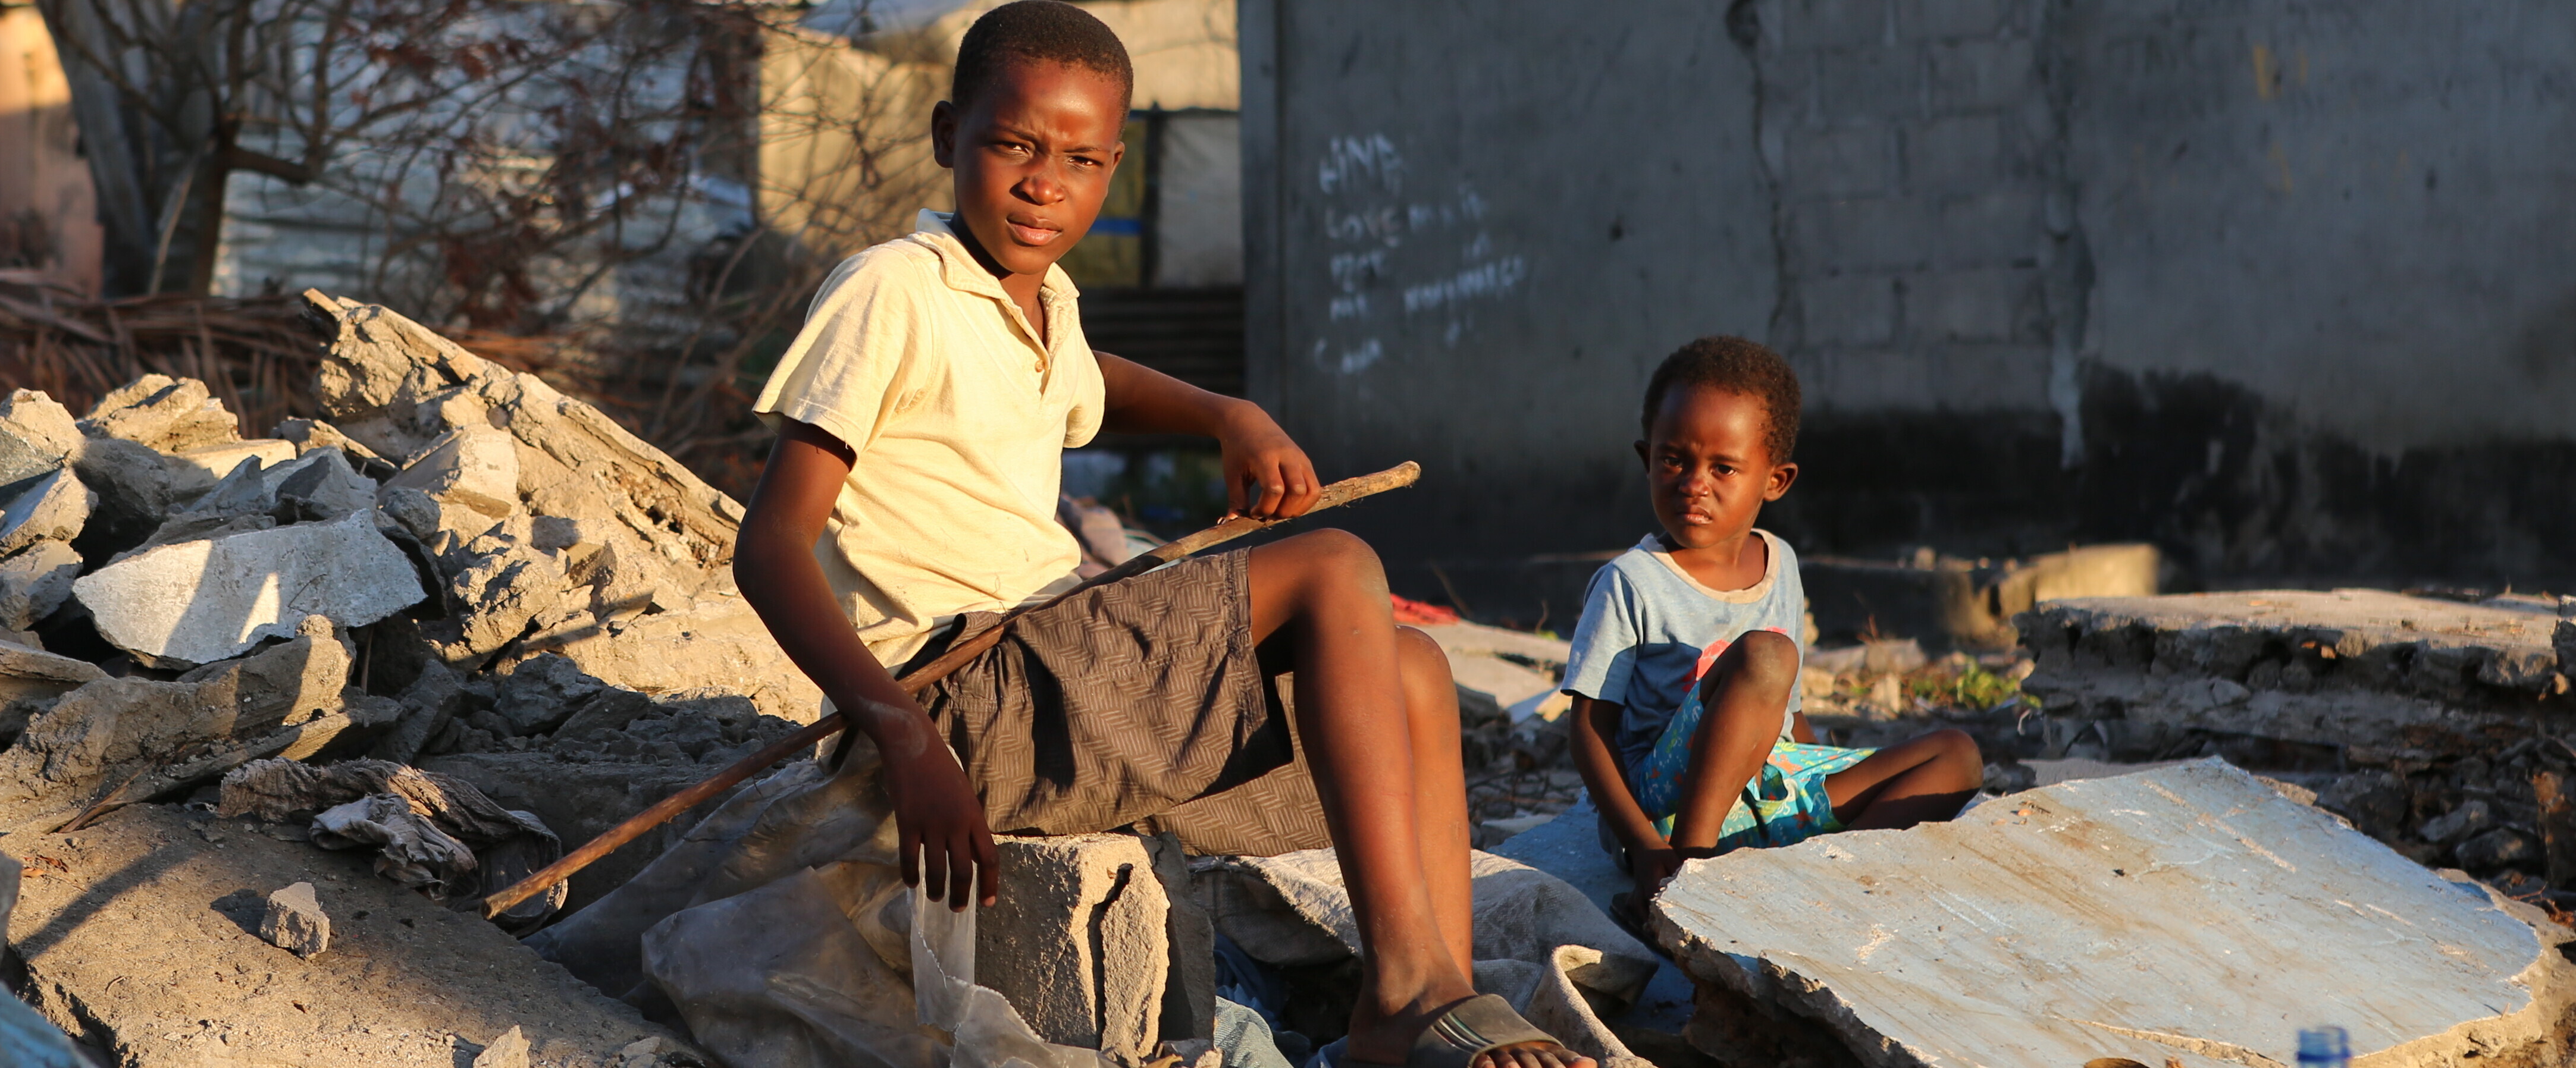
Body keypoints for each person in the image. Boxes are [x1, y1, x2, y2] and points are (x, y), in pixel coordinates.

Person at [732, 5, 1590, 1065]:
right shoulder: (892, 290)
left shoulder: (1039, 302)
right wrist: (906, 739)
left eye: (1082, 160)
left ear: (1113, 166)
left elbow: (1099, 388)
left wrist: (1225, 414)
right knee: (1337, 566)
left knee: (1411, 669)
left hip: (1048, 673)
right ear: (949, 136)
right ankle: (1414, 986)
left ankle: (1411, 1007)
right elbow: (767, 546)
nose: (1045, 183)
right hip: (963, 688)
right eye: (1014, 146)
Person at [1559, 338, 1984, 912]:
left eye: (1723, 468)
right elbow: (1589, 730)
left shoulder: (1780, 562)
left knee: (1955, 755)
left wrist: (1824, 784)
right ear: (1646, 458)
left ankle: (1826, 883)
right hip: (1666, 806)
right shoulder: (1631, 582)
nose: (1693, 484)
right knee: (1765, 656)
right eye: (1673, 460)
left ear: (1775, 481)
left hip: (1767, 785)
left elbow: (1790, 713)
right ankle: (1689, 882)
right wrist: (1641, 846)